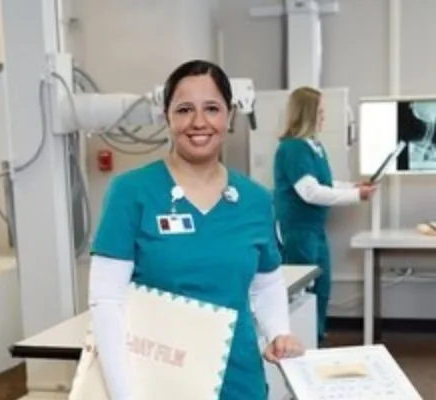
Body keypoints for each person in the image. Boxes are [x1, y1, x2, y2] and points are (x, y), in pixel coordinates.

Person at [88, 60, 304, 400]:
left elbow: (266, 284)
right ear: (167, 116)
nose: (199, 122)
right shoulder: (131, 192)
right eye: (184, 109)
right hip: (158, 382)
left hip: (239, 379)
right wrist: (124, 395)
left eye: (212, 108)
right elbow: (106, 301)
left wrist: (278, 332)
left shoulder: (256, 199)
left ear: (229, 116)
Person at [273, 86, 376, 344]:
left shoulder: (314, 147)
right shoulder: (293, 148)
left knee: (321, 286)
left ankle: (315, 338)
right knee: (300, 291)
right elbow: (310, 192)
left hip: (314, 229)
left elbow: (324, 184)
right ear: (307, 114)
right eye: (320, 112)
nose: (323, 118)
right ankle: (298, 343)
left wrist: (353, 186)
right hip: (297, 230)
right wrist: (356, 196)